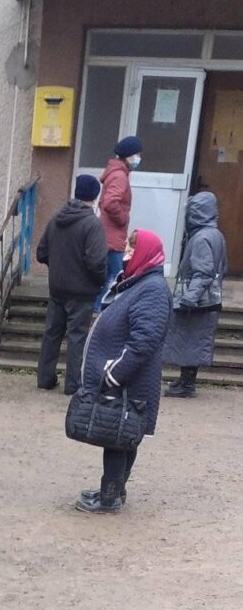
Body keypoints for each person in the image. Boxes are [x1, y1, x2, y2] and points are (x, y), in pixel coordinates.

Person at [76, 229, 171, 514]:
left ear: (145, 254)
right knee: (123, 436)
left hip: (129, 381)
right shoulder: (138, 283)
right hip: (127, 379)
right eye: (127, 249)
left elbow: (144, 341)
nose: (126, 255)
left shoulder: (152, 290)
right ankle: (115, 490)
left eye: (132, 250)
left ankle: (109, 498)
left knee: (117, 438)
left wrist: (114, 373)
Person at [36, 174, 107, 395]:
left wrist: (58, 267)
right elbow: (96, 261)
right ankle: (73, 385)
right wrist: (99, 281)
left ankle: (45, 379)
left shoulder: (56, 218)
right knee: (77, 338)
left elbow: (41, 253)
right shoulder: (92, 224)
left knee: (52, 334)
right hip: (82, 292)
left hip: (57, 288)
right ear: (94, 197)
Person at [163, 192, 228, 399]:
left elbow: (203, 271)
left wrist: (189, 297)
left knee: (189, 340)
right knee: (195, 340)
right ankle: (186, 380)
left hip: (197, 302)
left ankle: (186, 384)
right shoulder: (215, 235)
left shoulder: (201, 238)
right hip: (208, 300)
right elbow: (221, 267)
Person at [94, 135, 143, 314]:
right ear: (129, 156)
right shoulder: (120, 176)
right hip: (113, 237)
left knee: (110, 276)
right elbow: (110, 202)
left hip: (109, 235)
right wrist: (122, 219)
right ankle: (100, 312)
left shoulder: (117, 173)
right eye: (137, 154)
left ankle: (98, 312)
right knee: (115, 277)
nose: (138, 158)